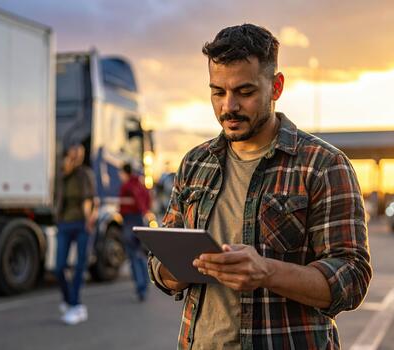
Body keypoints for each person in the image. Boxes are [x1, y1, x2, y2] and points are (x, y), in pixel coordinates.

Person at [148, 24, 372, 349]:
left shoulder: (323, 165)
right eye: (218, 92)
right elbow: (160, 265)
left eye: (245, 92)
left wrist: (266, 272)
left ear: (276, 86)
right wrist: (175, 270)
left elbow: (351, 278)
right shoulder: (194, 164)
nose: (229, 106)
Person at [55, 144, 97, 325]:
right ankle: (68, 300)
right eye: (74, 152)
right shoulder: (63, 175)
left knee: (79, 266)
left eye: (80, 153)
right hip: (64, 224)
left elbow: (90, 199)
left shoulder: (85, 174)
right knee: (59, 267)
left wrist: (89, 220)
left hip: (82, 224)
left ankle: (76, 305)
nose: (77, 155)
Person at [119, 163, 151, 301]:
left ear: (125, 173)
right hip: (140, 220)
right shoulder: (140, 184)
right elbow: (147, 198)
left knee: (133, 256)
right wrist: (144, 210)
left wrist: (138, 208)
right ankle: (146, 282)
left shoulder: (128, 186)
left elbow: (134, 200)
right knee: (140, 254)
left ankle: (140, 288)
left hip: (130, 220)